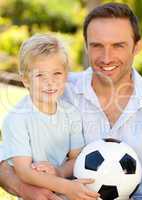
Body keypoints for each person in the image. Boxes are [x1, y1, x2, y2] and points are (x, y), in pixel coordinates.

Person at [0, 3, 142, 200]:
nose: (106, 57)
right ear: (86, 46)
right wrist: (26, 189)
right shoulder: (57, 89)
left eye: (118, 45)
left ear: (137, 46)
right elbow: (5, 159)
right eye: (97, 46)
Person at [0, 34, 100, 200]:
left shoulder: (71, 113)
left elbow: (76, 158)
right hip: (36, 196)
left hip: (67, 191)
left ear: (66, 76)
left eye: (57, 74)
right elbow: (23, 172)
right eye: (40, 76)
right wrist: (67, 187)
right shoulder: (17, 119)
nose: (50, 82)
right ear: (25, 80)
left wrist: (59, 172)